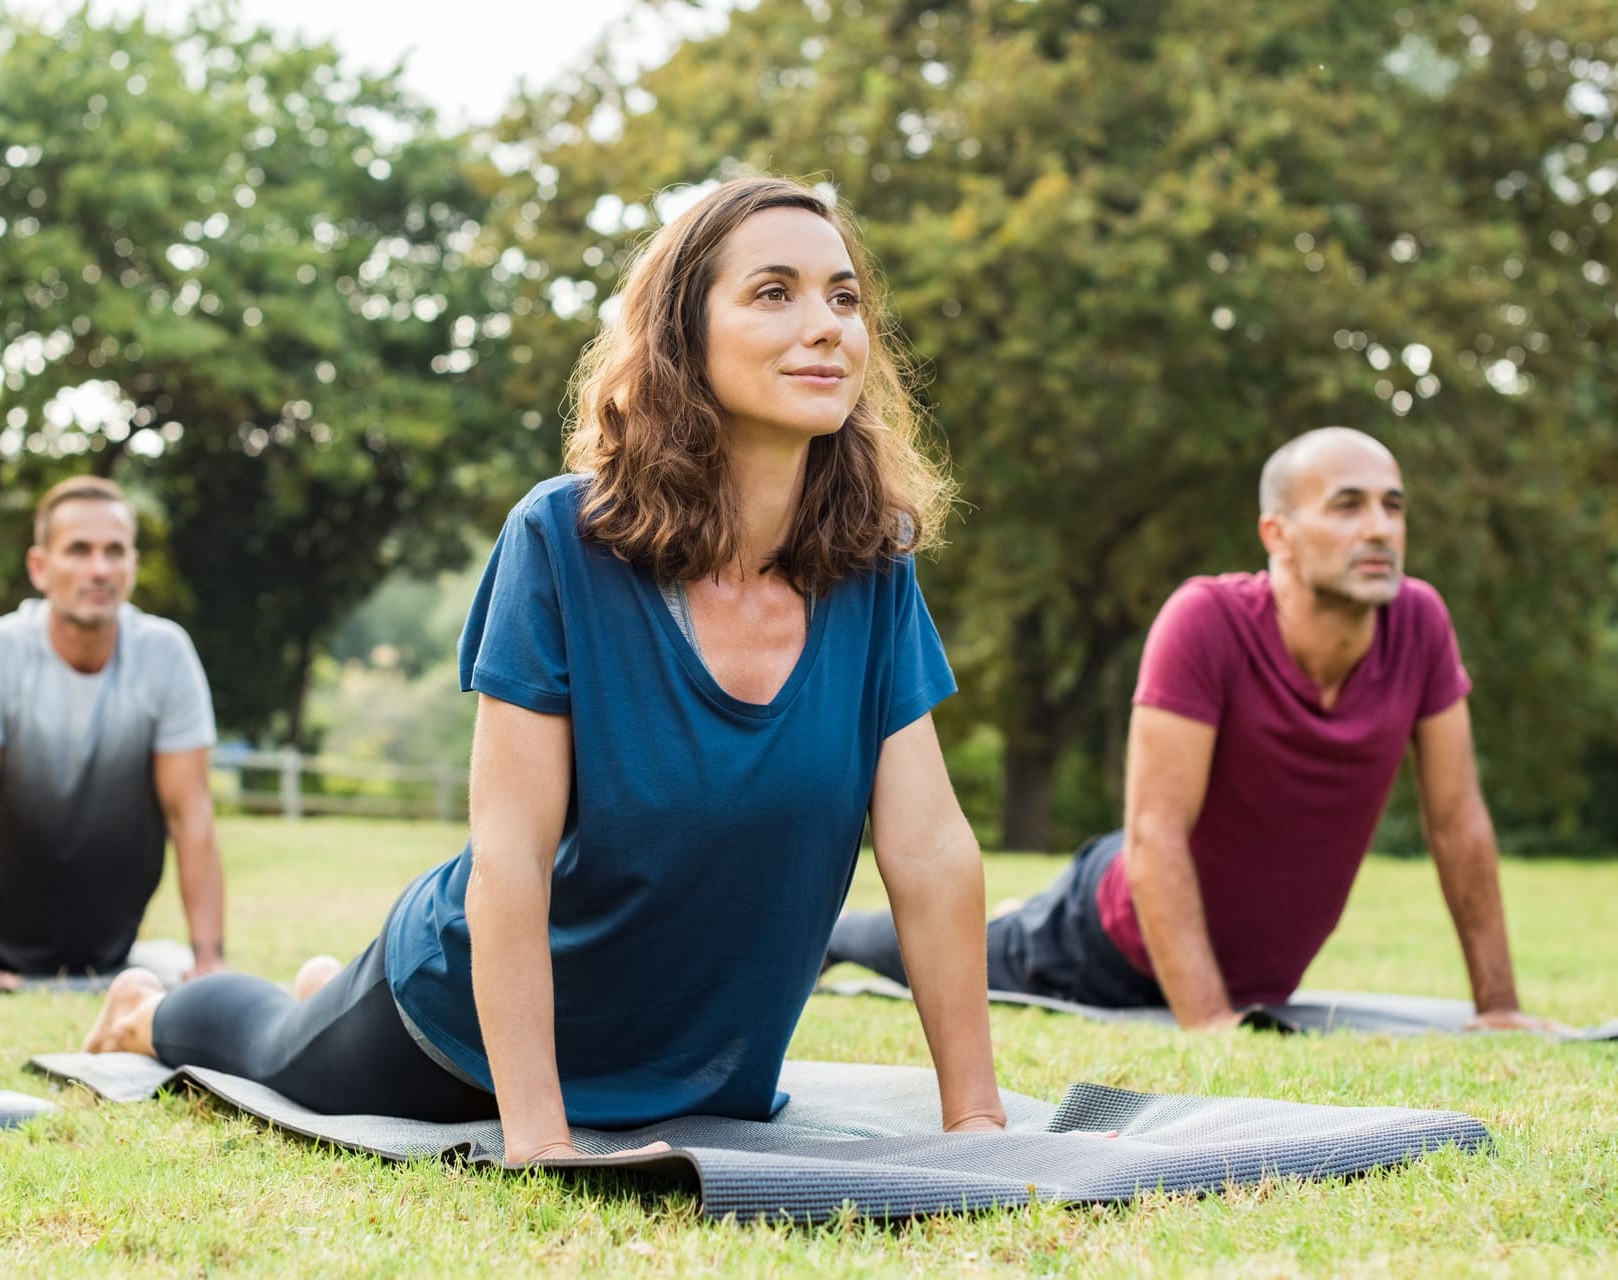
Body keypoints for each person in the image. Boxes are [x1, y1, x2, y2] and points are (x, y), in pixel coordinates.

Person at [83, 175, 1007, 1160]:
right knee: (269, 1045)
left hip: (695, 1061)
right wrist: (537, 1133)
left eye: (844, 296)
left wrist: (978, 1119)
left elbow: (930, 850)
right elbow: (510, 858)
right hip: (461, 1035)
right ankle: (146, 1009)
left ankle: (322, 981)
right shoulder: (562, 540)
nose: (826, 325)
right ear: (682, 336)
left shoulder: (871, 570)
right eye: (773, 292)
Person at [828, 427, 1559, 1032]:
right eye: (1347, 506)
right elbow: (1155, 833)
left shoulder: (1421, 622)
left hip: (1242, 960)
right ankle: (835, 937)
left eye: (1393, 506)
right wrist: (1211, 1022)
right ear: (1277, 532)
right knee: (947, 950)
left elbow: (1459, 820)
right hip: (1106, 942)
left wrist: (1499, 1008)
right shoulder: (1206, 620)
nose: (1379, 528)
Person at [0, 476, 228, 994]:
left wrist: (208, 958)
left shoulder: (167, 655)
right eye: (78, 550)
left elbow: (192, 812)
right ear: (39, 567)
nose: (99, 569)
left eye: (114, 551)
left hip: (102, 935)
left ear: (133, 566)